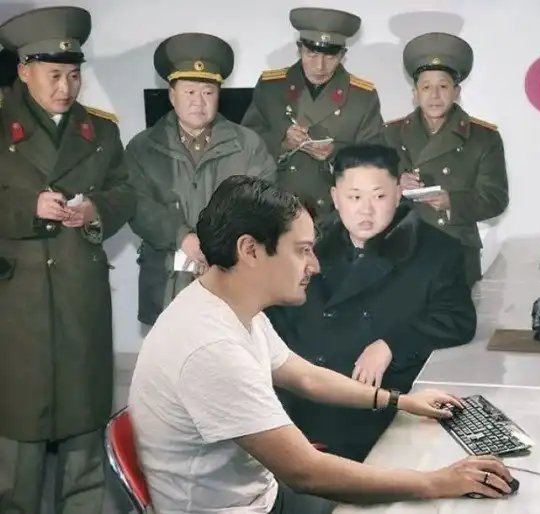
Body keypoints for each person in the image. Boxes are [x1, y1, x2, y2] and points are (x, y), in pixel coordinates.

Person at [128, 175, 514, 513]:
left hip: (261, 495)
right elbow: (306, 472)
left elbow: (306, 377)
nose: (314, 265)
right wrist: (437, 481)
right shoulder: (211, 347)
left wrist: (400, 401)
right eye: (301, 250)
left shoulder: (225, 302)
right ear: (250, 250)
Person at [0, 6, 134, 513]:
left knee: (83, 420)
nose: (66, 87)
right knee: (19, 424)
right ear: (24, 71)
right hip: (18, 302)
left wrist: (96, 210)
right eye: (54, 75)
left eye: (73, 75)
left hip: (81, 294)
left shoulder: (100, 130)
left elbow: (125, 192)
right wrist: (26, 207)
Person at [266, 143, 477, 462]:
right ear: (335, 197)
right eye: (354, 197)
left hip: (379, 412)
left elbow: (457, 319)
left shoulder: (436, 251)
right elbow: (274, 324)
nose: (366, 211)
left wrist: (391, 344)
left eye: (378, 197)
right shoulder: (307, 245)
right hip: (299, 409)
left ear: (398, 193)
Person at [126, 32, 277, 326]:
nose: (199, 102)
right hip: (168, 281)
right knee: (171, 351)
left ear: (219, 94)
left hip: (232, 278)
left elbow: (264, 202)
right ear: (172, 95)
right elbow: (137, 204)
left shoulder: (248, 145)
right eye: (189, 92)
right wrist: (182, 237)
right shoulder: (142, 148)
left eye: (208, 92)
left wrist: (220, 242)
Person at [383, 33, 509, 286]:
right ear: (415, 93)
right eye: (426, 87)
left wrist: (452, 202)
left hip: (456, 252)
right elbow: (367, 190)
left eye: (443, 86)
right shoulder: (390, 134)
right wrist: (395, 184)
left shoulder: (483, 137)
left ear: (457, 92)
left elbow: (495, 199)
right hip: (402, 251)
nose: (435, 96)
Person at [242, 7, 384, 217]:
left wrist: (336, 153)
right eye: (311, 53)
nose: (319, 66)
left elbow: (376, 157)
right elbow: (246, 145)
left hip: (334, 213)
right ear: (299, 49)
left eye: (330, 57)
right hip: (274, 209)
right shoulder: (271, 87)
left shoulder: (361, 96)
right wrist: (283, 143)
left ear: (343, 55)